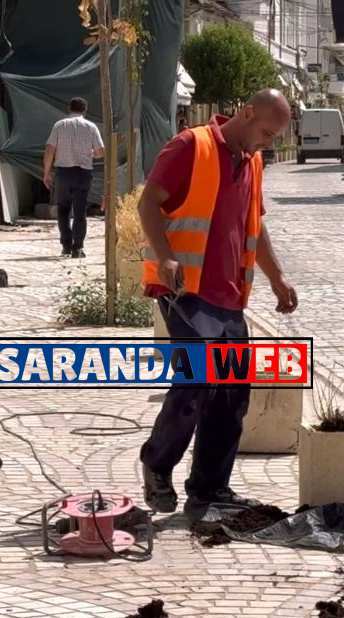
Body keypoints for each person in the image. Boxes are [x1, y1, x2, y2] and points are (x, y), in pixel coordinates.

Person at [136, 88, 299, 516]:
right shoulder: (191, 146)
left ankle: (209, 488)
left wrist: (277, 276)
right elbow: (147, 203)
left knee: (231, 397)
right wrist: (165, 254)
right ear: (246, 113)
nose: (268, 143)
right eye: (266, 132)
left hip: (228, 298)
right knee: (196, 384)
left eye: (274, 137)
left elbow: (254, 224)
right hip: (185, 293)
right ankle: (156, 464)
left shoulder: (253, 162)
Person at [43, 97, 104, 258]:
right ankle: (78, 247)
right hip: (83, 173)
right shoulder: (91, 127)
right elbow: (101, 151)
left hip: (63, 173)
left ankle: (66, 244)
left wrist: (46, 173)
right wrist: (91, 154)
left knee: (63, 209)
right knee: (80, 211)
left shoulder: (59, 126)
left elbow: (49, 150)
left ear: (69, 109)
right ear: (85, 110)